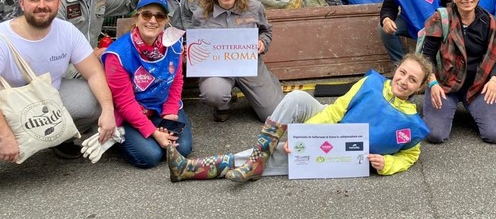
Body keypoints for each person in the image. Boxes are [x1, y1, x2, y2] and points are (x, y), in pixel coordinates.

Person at [0, 0, 115, 196]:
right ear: (21, 3)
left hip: (45, 98)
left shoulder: (66, 31)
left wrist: (108, 111)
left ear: (58, 2)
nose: (42, 5)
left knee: (94, 98)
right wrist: (7, 137)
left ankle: (57, 137)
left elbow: (95, 72)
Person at [167, 53, 433, 182]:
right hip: (330, 128)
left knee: (279, 156)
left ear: (419, 87)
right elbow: (334, 111)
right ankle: (261, 156)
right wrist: (302, 135)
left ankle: (191, 169)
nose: (404, 81)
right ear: (396, 70)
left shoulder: (411, 124)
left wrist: (387, 163)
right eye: (402, 73)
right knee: (297, 98)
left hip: (344, 156)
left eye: (413, 80)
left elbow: (410, 156)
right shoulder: (371, 83)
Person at [101, 0, 192, 168]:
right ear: (136, 18)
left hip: (162, 107)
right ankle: (117, 136)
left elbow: (176, 80)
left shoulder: (174, 43)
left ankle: (155, 128)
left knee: (183, 149)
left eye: (159, 16)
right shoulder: (117, 54)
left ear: (166, 20)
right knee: (150, 156)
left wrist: (171, 113)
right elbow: (124, 102)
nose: (152, 20)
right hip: (131, 113)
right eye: (146, 15)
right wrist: (154, 133)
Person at [420, 0, 496, 144]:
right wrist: (432, 83)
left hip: (477, 85)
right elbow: (426, 57)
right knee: (435, 135)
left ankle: (474, 107)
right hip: (443, 84)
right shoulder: (440, 18)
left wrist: (494, 80)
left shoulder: (489, 22)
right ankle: (445, 109)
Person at [191, 0, 284, 123]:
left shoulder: (254, 8)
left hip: (249, 66)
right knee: (214, 94)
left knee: (273, 115)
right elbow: (195, 42)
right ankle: (223, 105)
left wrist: (262, 42)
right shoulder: (200, 14)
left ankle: (268, 82)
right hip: (217, 70)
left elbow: (266, 31)